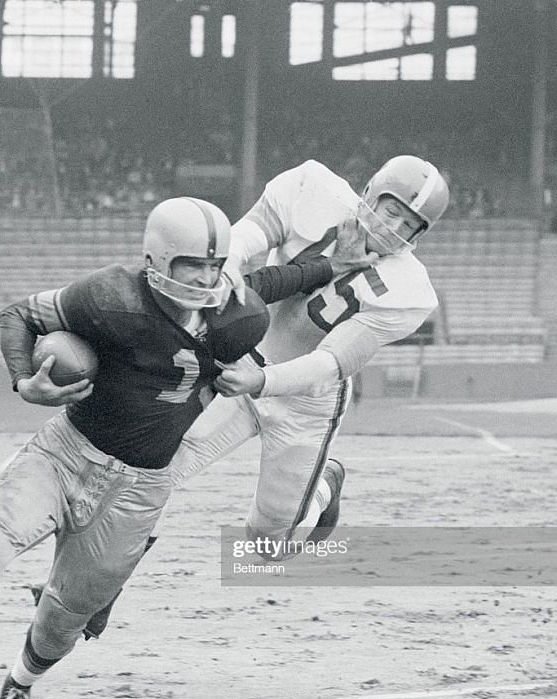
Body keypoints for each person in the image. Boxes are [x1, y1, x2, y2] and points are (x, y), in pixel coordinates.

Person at [0, 196, 372, 699]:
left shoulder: (239, 315)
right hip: (65, 455)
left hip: (142, 488)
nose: (204, 279)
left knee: (64, 620)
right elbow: (20, 315)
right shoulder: (110, 296)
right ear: (154, 261)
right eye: (191, 265)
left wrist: (333, 266)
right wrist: (24, 381)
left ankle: (16, 692)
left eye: (213, 266)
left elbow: (275, 282)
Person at [73, 155, 450, 636]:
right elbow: (244, 237)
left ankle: (324, 487)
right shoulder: (311, 187)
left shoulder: (409, 291)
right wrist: (221, 280)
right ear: (370, 190)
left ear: (419, 236)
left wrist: (263, 384)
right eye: (390, 208)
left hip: (306, 399)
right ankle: (99, 591)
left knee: (267, 546)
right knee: (153, 471)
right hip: (243, 357)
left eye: (408, 223)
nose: (392, 226)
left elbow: (331, 362)